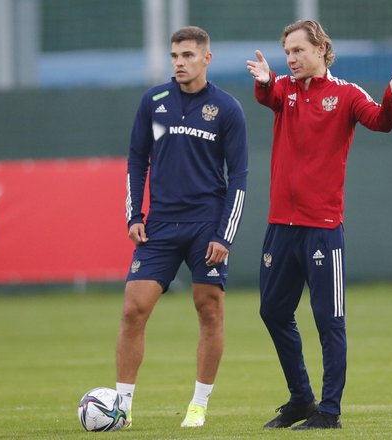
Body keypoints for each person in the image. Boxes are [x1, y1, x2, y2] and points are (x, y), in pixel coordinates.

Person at [246, 20, 392, 430]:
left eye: (298, 50)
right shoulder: (284, 89)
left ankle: (329, 411)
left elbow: (380, 120)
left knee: (329, 319)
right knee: (272, 311)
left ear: (321, 49)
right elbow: (267, 93)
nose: (291, 58)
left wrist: (391, 98)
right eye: (287, 52)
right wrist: (267, 79)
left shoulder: (345, 94)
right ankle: (301, 399)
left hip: (323, 228)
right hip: (280, 226)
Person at [117, 26, 248, 429]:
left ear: (206, 59)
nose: (179, 62)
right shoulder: (154, 102)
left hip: (205, 225)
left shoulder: (226, 109)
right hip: (159, 226)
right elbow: (138, 160)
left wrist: (224, 235)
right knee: (134, 309)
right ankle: (121, 406)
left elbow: (239, 176)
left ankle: (199, 404)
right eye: (175, 55)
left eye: (188, 55)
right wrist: (134, 216)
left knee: (208, 310)